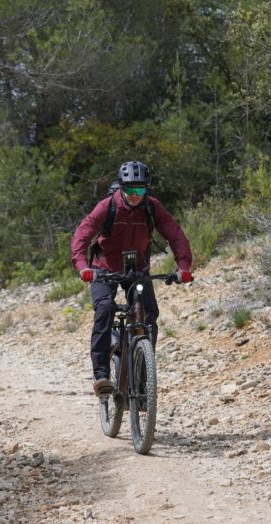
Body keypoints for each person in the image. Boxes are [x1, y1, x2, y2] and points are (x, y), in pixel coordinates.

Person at [71, 160, 193, 396]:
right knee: (105, 309)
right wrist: (83, 266)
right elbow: (82, 235)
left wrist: (183, 266)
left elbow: (175, 234)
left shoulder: (152, 207)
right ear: (121, 188)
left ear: (147, 189)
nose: (135, 195)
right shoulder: (107, 206)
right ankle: (102, 376)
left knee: (149, 315)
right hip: (103, 269)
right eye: (129, 189)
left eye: (140, 189)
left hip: (136, 270)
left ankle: (143, 376)